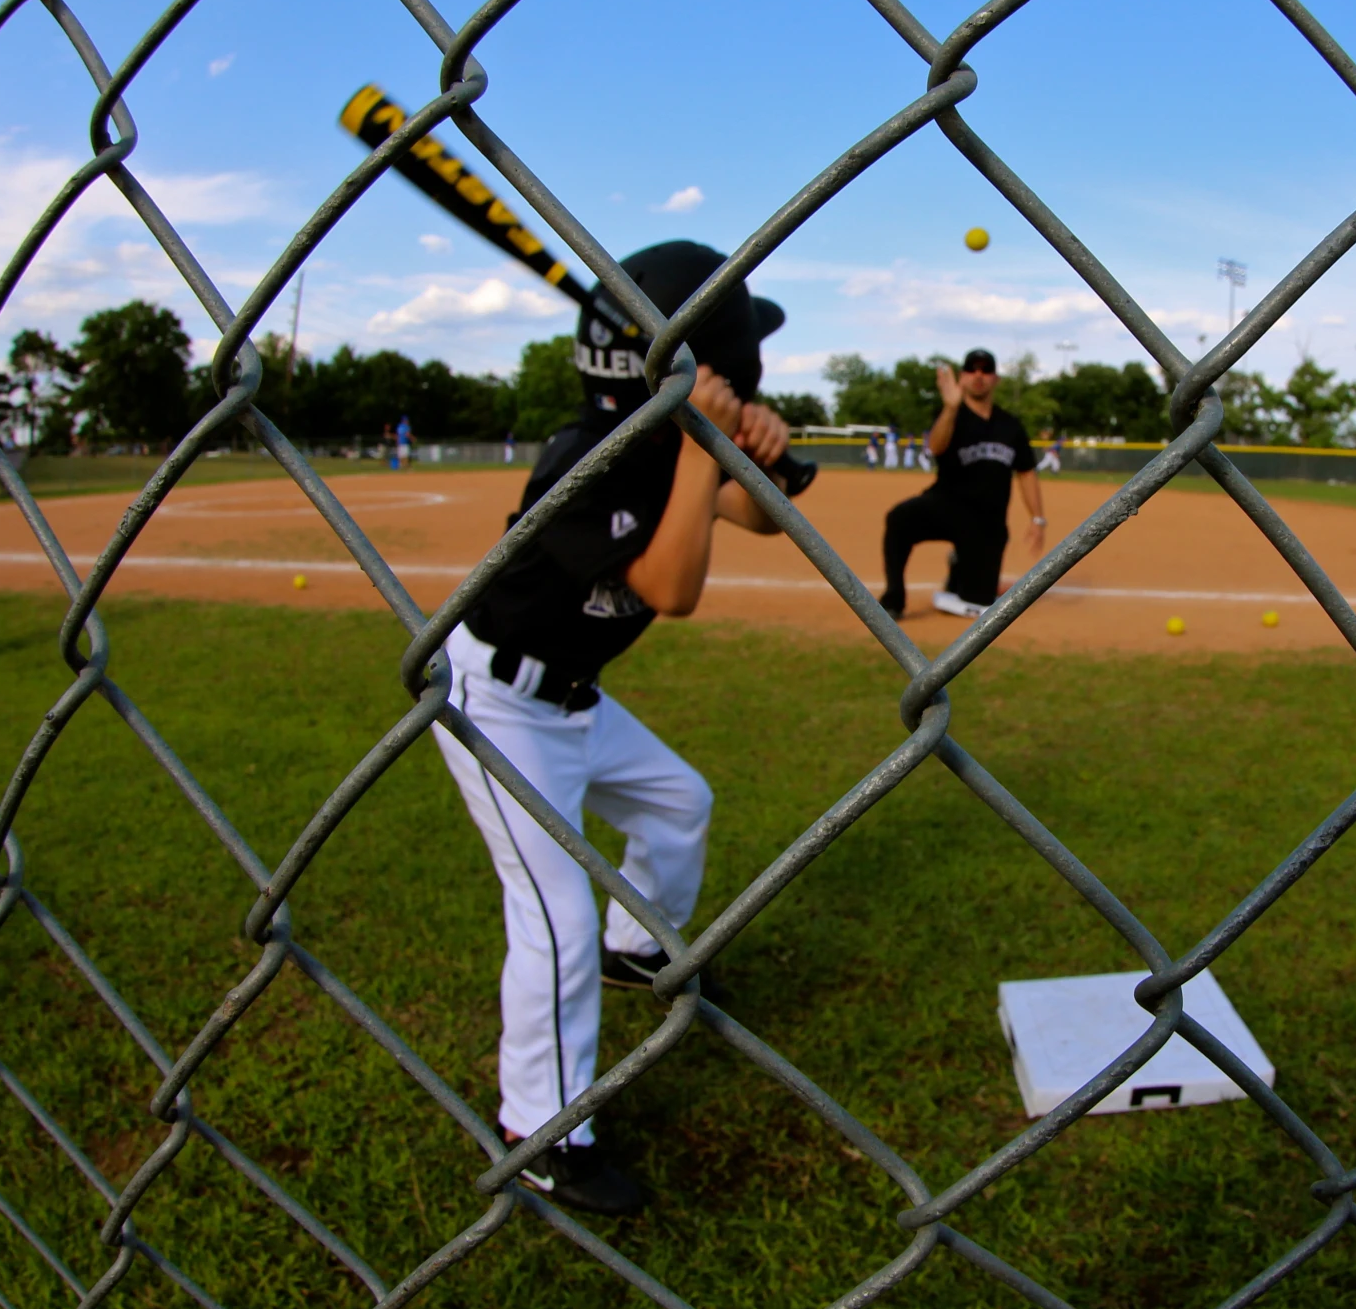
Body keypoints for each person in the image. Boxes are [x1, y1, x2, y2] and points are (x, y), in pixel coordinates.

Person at [429, 240, 790, 1219]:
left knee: (678, 801)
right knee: (552, 918)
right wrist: (694, 451)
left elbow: (763, 519)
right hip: (495, 704)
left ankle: (640, 946)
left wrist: (751, 450)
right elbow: (672, 587)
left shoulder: (660, 442)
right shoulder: (581, 462)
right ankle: (541, 1133)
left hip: (574, 694)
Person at [880, 348, 1047, 620]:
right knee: (899, 518)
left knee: (976, 604)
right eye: (971, 369)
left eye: (986, 370)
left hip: (988, 524)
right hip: (946, 505)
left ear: (996, 379)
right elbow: (935, 447)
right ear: (961, 377)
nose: (978, 376)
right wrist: (950, 407)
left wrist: (1038, 519)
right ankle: (893, 598)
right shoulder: (951, 414)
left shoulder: (1010, 425)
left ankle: (959, 567)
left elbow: (1026, 472)